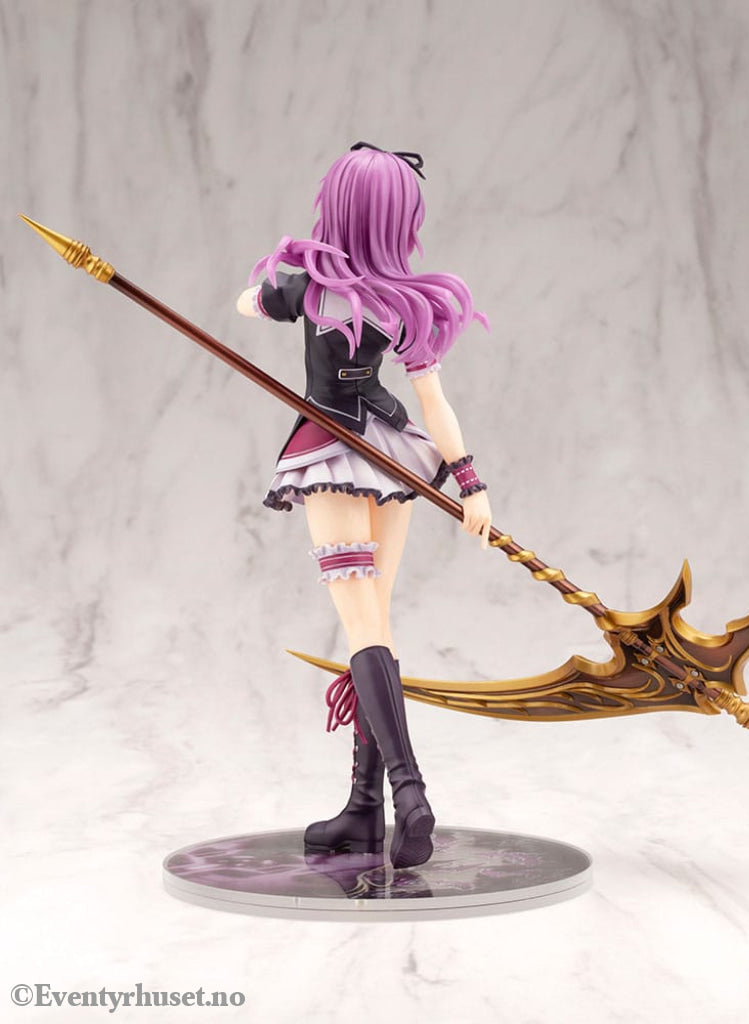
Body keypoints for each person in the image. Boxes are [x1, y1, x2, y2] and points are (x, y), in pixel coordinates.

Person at [236, 142, 491, 869]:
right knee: (374, 625)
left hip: (329, 456)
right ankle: (363, 807)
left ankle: (410, 794)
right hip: (394, 455)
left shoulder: (308, 290)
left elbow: (247, 302)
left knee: (363, 628)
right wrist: (469, 481)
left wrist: (277, 290)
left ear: (339, 207)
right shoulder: (405, 306)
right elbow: (433, 403)